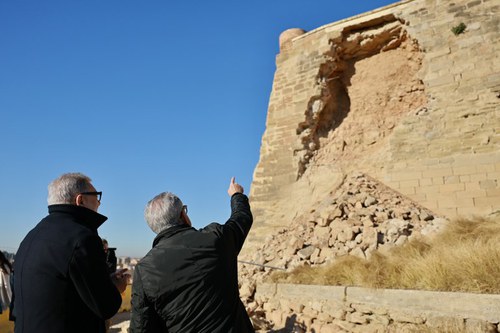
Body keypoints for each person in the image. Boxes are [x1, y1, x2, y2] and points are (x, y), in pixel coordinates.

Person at [130, 177, 254, 333]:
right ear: (183, 215)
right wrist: (237, 195)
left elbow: (141, 326)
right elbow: (241, 218)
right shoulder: (215, 238)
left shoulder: (144, 270)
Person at [13, 172, 128, 333]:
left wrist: (104, 280)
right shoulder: (82, 238)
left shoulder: (33, 235)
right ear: (80, 200)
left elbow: (63, 287)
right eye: (96, 196)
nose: (99, 203)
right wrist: (116, 287)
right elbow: (105, 306)